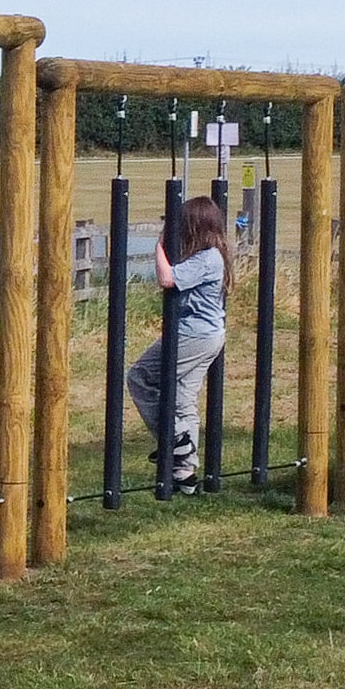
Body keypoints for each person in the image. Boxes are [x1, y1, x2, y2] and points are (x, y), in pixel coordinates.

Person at [128, 194, 228, 492]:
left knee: (141, 377)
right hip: (207, 334)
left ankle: (177, 439)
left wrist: (159, 246)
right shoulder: (211, 255)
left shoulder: (207, 258)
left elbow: (167, 279)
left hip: (193, 335)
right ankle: (184, 472)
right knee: (183, 398)